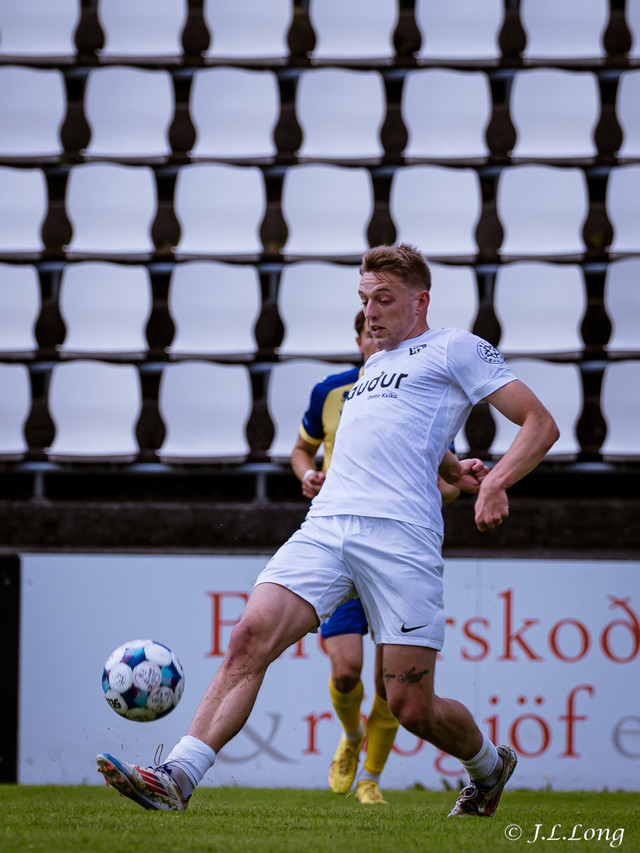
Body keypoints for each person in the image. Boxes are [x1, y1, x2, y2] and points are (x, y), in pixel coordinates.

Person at [97, 243, 559, 817]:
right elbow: (405, 430)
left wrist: (495, 482)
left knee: (411, 706)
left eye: (383, 299)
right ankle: (178, 777)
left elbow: (540, 423)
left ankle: (489, 767)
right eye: (364, 300)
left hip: (401, 538)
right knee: (248, 639)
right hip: (327, 525)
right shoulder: (372, 367)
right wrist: (449, 466)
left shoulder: (455, 347)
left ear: (421, 301)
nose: (370, 312)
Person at [290, 311, 468, 804]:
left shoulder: (418, 391)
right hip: (343, 537)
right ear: (359, 339)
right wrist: (307, 474)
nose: (377, 338)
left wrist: (433, 490)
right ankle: (351, 735)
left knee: (390, 685)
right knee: (346, 670)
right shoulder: (330, 391)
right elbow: (301, 450)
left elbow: (449, 479)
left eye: (383, 329)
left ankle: (369, 778)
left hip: (399, 547)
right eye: (369, 332)